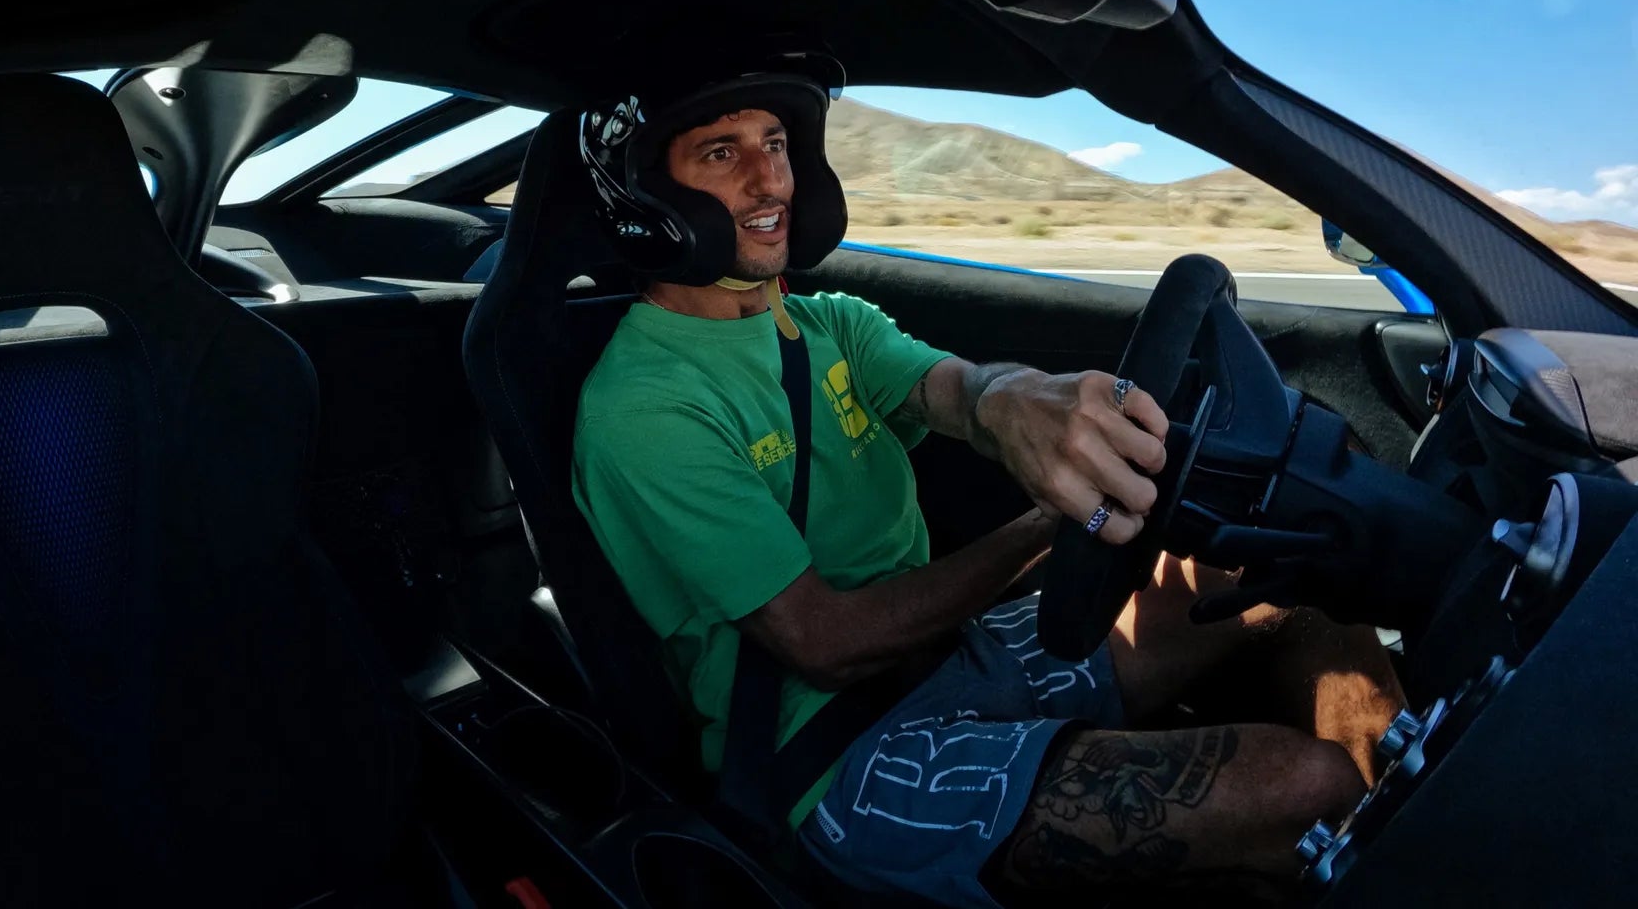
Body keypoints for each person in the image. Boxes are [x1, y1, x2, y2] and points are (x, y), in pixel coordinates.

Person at [569, 48, 1403, 908]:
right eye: (721, 153)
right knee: (1304, 787)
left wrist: (1017, 403)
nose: (769, 179)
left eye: (775, 143)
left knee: (1286, 580)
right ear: (648, 199)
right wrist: (1050, 521)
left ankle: (1413, 808)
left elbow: (960, 391)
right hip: (836, 758)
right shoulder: (645, 404)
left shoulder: (828, 324)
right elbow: (826, 642)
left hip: (957, 654)